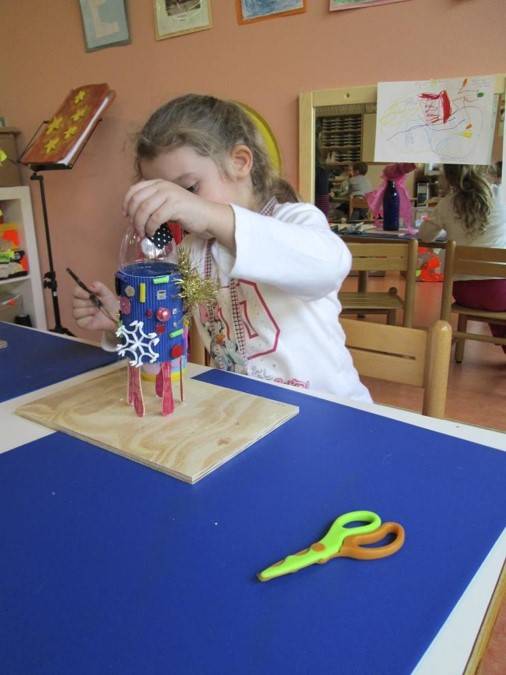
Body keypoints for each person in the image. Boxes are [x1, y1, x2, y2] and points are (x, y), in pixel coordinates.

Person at [72, 94, 371, 402]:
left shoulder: (294, 219)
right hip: (245, 410)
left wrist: (206, 212)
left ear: (239, 162)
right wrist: (120, 323)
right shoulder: (188, 252)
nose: (178, 208)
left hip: (331, 408)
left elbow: (329, 266)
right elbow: (160, 328)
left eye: (189, 189)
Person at [418, 164, 506, 352]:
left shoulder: (446, 203)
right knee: (498, 292)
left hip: (464, 292)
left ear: (448, 177)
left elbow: (425, 236)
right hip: (500, 294)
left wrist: (449, 229)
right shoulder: (500, 195)